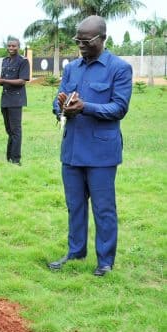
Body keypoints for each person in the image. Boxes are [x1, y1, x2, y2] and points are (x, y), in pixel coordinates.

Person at [47, 15, 132, 277]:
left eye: (86, 40)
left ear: (102, 38)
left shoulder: (119, 68)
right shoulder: (72, 68)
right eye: (78, 40)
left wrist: (85, 107)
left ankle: (105, 261)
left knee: (103, 208)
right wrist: (62, 107)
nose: (81, 45)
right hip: (72, 150)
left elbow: (119, 107)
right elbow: (57, 102)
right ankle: (76, 252)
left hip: (101, 153)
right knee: (75, 205)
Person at [0, 38, 29, 165]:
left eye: (14, 46)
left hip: (16, 100)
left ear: (18, 47)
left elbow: (22, 81)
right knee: (9, 130)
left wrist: (3, 81)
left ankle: (16, 160)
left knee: (16, 131)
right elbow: (4, 80)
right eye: (9, 46)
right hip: (5, 100)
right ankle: (9, 157)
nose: (11, 48)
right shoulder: (5, 61)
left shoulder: (23, 61)